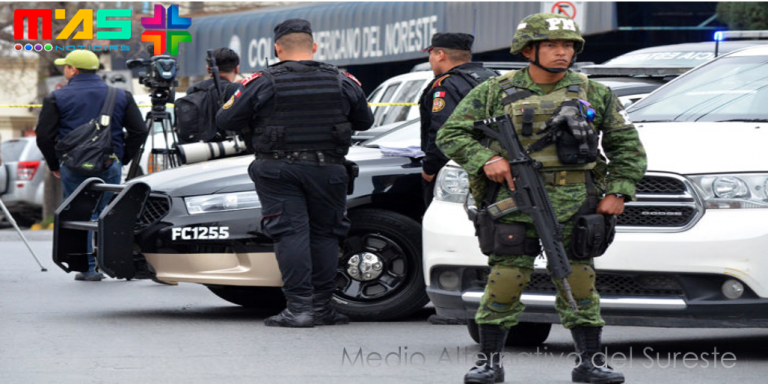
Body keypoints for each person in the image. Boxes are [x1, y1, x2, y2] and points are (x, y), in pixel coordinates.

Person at [436, 13, 647, 384]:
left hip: (577, 200)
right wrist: (488, 159)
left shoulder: (593, 92)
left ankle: (590, 361)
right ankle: (489, 361)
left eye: (567, 45)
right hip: (515, 200)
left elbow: (627, 146)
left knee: (579, 282)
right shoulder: (494, 91)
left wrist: (619, 190)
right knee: (506, 278)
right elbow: (451, 134)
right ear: (528, 50)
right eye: (551, 45)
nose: (561, 52)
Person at [216, 19, 373, 328]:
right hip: (328, 168)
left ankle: (299, 308)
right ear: (314, 47)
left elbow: (226, 120)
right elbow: (365, 121)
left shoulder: (262, 81)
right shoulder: (342, 79)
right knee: (326, 234)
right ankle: (323, 307)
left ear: (277, 49)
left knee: (291, 234)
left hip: (279, 168)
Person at [36, 50, 147, 281]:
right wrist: (121, 157)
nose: (64, 70)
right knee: (107, 212)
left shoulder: (56, 97)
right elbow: (139, 131)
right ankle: (114, 263)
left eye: (65, 67)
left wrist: (55, 163)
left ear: (73, 70)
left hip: (72, 165)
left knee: (80, 212)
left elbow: (44, 136)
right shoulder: (120, 95)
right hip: (109, 162)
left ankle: (88, 267)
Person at [419, 33, 498, 208]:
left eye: (430, 54)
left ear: (440, 55)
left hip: (454, 171)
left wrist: (430, 168)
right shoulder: (493, 77)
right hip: (495, 164)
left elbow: (441, 130)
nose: (430, 59)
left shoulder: (447, 84)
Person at [184, 47, 241, 141]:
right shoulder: (238, 90)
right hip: (231, 150)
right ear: (237, 69)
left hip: (194, 150)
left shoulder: (193, 90)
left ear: (208, 69)